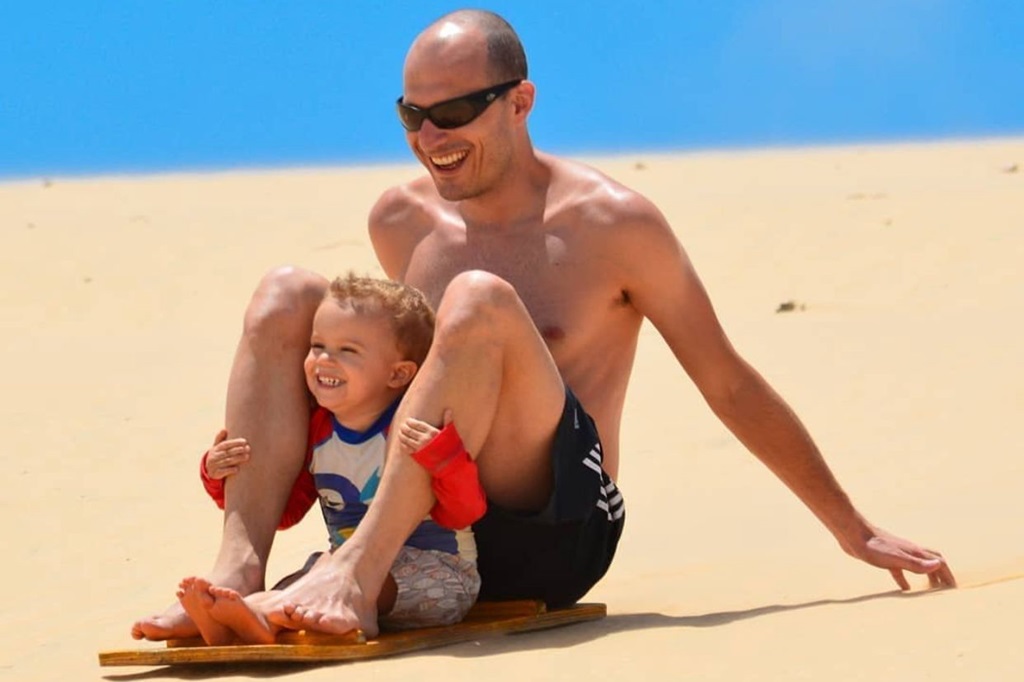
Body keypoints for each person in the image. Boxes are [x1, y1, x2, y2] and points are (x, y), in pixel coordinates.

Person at [132, 8, 955, 642]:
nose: (432, 139)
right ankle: (242, 575)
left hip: (554, 532)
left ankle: (354, 574)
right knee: (287, 294)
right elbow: (404, 385)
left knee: (480, 301)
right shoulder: (400, 219)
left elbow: (728, 381)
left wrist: (854, 528)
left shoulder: (614, 225)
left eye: (455, 112)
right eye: (412, 116)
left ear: (521, 101)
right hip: (425, 523)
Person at [135, 274, 483, 643]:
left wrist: (445, 460)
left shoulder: (407, 429)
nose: (323, 360)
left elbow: (465, 512)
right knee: (305, 575)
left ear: (398, 373)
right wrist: (215, 474)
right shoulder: (319, 432)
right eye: (317, 345)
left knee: (323, 577)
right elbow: (285, 512)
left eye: (347, 350)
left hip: (438, 577)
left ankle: (263, 610)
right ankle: (251, 617)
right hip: (335, 573)